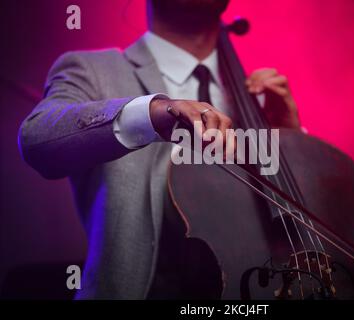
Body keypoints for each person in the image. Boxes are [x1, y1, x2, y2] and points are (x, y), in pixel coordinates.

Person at [18, 0, 301, 299]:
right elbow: (37, 140)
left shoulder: (254, 97)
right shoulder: (90, 70)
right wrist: (151, 112)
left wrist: (293, 144)